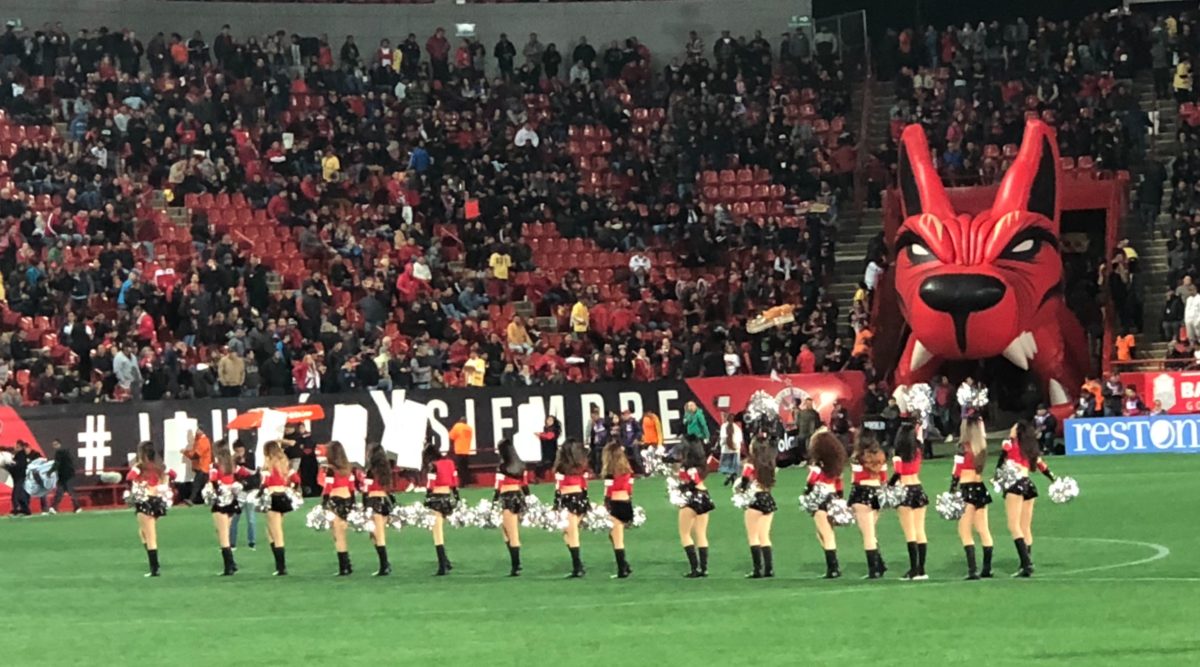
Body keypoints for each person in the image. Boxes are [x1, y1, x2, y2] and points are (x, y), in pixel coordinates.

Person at [998, 421, 1057, 577]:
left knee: (1013, 526)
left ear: (1018, 431)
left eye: (1013, 427)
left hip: (1015, 485)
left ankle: (1026, 563)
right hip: (1028, 485)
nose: (1010, 429)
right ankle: (1027, 562)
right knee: (1025, 527)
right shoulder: (1030, 448)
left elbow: (1001, 466)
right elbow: (1042, 466)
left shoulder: (1009, 445)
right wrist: (1054, 479)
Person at [952, 419, 994, 580]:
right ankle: (987, 569)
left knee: (964, 530)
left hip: (966, 489)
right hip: (980, 488)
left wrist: (951, 491)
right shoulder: (981, 449)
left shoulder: (962, 448)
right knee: (984, 530)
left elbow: (956, 472)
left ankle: (972, 570)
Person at [126, 441, 176, 577]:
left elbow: (129, 477)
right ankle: (152, 563)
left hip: (145, 501)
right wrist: (162, 483)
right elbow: (173, 474)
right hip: (158, 502)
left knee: (150, 535)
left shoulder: (140, 466)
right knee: (143, 533)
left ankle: (155, 568)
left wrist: (141, 481)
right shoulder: (160, 466)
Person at [890, 423, 929, 581]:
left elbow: (898, 473)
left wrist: (888, 486)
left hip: (905, 491)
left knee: (910, 532)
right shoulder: (918, 451)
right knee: (920, 530)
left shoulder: (898, 455)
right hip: (918, 489)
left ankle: (913, 570)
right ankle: (922, 569)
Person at [806, 430, 846, 579]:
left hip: (820, 498)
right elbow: (840, 484)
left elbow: (811, 481)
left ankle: (833, 568)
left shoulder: (818, 465)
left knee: (825, 533)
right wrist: (839, 499)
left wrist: (806, 493)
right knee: (825, 532)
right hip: (833, 496)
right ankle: (833, 566)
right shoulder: (836, 465)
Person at [848, 431, 888, 579]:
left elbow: (856, 479)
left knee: (867, 534)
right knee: (871, 531)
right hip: (878, 493)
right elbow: (884, 478)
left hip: (862, 493)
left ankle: (874, 570)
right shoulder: (881, 456)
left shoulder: (858, 458)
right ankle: (880, 564)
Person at [207, 440, 251, 576]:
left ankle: (229, 567)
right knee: (224, 531)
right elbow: (246, 473)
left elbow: (213, 479)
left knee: (222, 534)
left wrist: (217, 490)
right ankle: (232, 564)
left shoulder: (215, 466)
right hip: (232, 501)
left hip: (221, 501)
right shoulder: (232, 465)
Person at [321, 441, 364, 576]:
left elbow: (328, 489)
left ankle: (344, 567)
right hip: (347, 500)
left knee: (337, 535)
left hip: (335, 501)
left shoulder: (330, 470)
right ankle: (347, 565)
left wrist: (324, 503)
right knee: (342, 533)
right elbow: (352, 487)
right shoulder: (348, 468)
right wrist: (352, 504)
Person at [738, 437, 779, 579]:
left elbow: (744, 482)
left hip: (755, 499)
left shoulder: (750, 464)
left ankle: (757, 570)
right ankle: (769, 569)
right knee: (765, 535)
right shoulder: (770, 464)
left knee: (753, 536)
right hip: (768, 498)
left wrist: (741, 490)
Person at [676, 434, 715, 578]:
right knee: (701, 533)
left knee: (685, 534)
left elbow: (692, 480)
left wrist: (681, 488)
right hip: (704, 494)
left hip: (692, 497)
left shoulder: (688, 465)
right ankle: (704, 568)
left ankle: (694, 568)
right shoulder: (702, 463)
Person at [261, 440, 301, 575]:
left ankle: (281, 567)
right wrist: (291, 489)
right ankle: (279, 565)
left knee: (276, 533)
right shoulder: (285, 463)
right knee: (270, 531)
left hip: (272, 496)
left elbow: (265, 483)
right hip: (284, 496)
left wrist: (259, 494)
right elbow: (296, 479)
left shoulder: (268, 464)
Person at [493, 439, 531, 577]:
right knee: (507, 532)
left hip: (507, 498)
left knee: (511, 533)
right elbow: (525, 485)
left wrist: (494, 502)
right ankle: (515, 564)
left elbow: (498, 486)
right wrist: (528, 500)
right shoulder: (521, 465)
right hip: (518, 496)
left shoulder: (502, 467)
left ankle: (516, 565)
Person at [554, 439, 591, 578]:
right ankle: (578, 565)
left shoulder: (561, 467)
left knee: (571, 533)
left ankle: (578, 566)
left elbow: (558, 487)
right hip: (580, 497)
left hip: (567, 499)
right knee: (568, 532)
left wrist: (556, 504)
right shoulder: (582, 466)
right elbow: (584, 485)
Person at [423, 442, 460, 575]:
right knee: (440, 530)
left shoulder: (433, 465)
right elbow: (455, 481)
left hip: (436, 499)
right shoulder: (450, 462)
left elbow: (430, 484)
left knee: (437, 533)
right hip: (447, 497)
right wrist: (456, 497)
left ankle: (442, 566)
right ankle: (446, 562)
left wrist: (427, 499)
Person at [601, 440, 635, 579]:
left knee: (617, 539)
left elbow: (608, 492)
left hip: (615, 504)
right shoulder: (628, 471)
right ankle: (625, 565)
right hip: (626, 503)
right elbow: (630, 489)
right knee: (614, 536)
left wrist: (605, 506)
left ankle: (622, 570)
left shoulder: (610, 472)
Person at [363, 444, 395, 576]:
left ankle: (384, 565)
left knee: (378, 535)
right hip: (385, 502)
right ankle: (385, 564)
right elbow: (389, 488)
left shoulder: (371, 471)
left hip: (374, 502)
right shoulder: (387, 470)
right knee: (375, 534)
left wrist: (365, 507)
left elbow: (366, 489)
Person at [229, 440, 258, 551]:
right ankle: (232, 543)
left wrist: (243, 466)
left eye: (240, 450)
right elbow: (230, 471)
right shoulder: (233, 459)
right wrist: (234, 461)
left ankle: (252, 542)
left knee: (251, 518)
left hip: (251, 489)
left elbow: (254, 472)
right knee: (235, 517)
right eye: (237, 451)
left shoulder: (251, 456)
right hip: (240, 490)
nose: (239, 453)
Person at [48, 439, 81, 514]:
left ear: (59, 444)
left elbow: (57, 464)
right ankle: (76, 507)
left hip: (64, 476)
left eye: (56, 444)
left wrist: (50, 471)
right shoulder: (67, 452)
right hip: (68, 475)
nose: (54, 446)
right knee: (65, 491)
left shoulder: (59, 452)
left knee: (62, 491)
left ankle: (54, 507)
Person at [183, 428, 213, 505]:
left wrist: (186, 453)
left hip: (203, 466)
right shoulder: (199, 440)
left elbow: (196, 455)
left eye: (198, 430)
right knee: (201, 484)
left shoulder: (203, 441)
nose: (196, 432)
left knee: (196, 484)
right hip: (201, 466)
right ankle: (200, 500)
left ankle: (191, 499)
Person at [5, 440, 33, 516]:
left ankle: (17, 509)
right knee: (21, 495)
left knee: (16, 495)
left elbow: (19, 467)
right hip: (19, 478)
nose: (15, 447)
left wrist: (9, 467)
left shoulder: (21, 456)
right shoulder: (20, 456)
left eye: (17, 446)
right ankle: (25, 510)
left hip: (20, 478)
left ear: (20, 447)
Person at [718, 411, 744, 486]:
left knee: (726, 467)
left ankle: (729, 475)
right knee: (735, 467)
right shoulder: (737, 428)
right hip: (735, 449)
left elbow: (723, 438)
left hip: (725, 450)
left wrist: (722, 445)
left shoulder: (723, 426)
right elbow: (740, 440)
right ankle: (733, 478)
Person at [448, 416, 474, 486]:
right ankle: (467, 482)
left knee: (460, 468)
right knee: (465, 467)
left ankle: (462, 483)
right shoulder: (469, 428)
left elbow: (451, 436)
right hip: (466, 451)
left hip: (459, 450)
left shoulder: (457, 426)